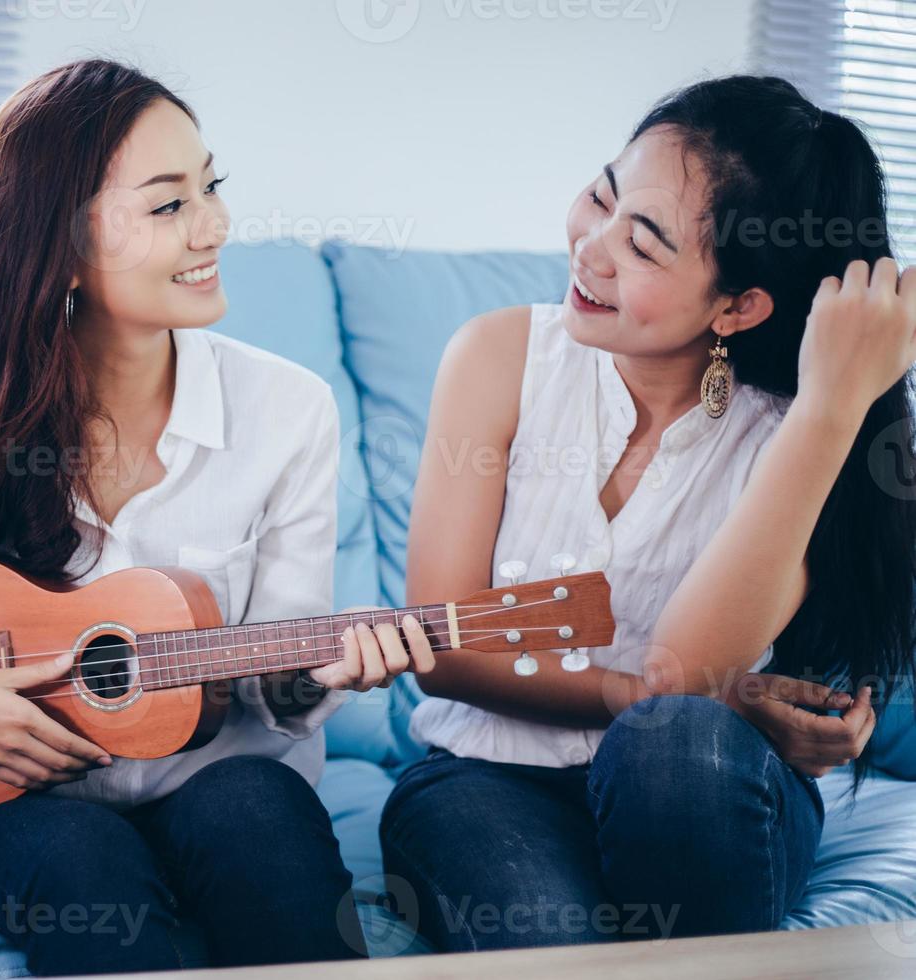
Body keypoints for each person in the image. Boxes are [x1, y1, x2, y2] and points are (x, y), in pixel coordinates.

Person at [0, 59, 433, 975]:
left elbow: (281, 657)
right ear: (60, 240)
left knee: (261, 813)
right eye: (169, 206)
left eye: (212, 187)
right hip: (1, 809)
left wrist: (316, 675)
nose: (215, 226)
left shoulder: (290, 409)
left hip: (212, 784)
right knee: (87, 861)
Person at [378, 75, 916, 950]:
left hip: (701, 789)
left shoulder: (793, 436)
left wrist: (831, 410)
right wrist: (659, 695)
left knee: (672, 743)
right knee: (564, 936)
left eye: (645, 245)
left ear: (738, 307)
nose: (592, 248)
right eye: (602, 194)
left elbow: (684, 676)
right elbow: (445, 646)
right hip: (489, 780)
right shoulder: (497, 355)